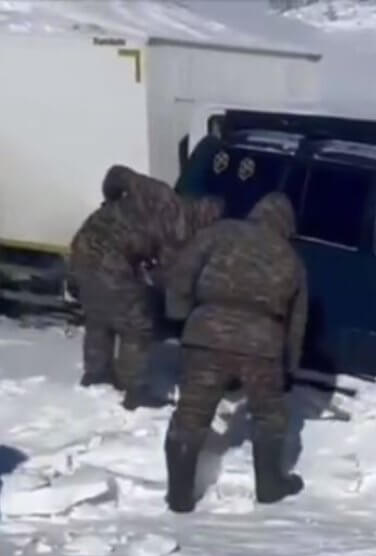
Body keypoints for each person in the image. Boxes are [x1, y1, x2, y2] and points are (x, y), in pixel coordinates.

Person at [161, 192, 308, 513]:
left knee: (191, 414)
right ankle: (270, 485)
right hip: (262, 346)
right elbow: (297, 323)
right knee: (270, 416)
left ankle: (179, 496)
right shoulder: (291, 258)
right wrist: (289, 369)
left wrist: (179, 313)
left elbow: (182, 272)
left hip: (207, 335)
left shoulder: (219, 232)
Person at [67, 164, 224, 409]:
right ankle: (135, 390)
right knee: (137, 325)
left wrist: (112, 203)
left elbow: (116, 174)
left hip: (83, 243)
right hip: (111, 259)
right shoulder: (181, 234)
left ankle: (96, 373)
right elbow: (168, 279)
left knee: (99, 313)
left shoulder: (160, 192)